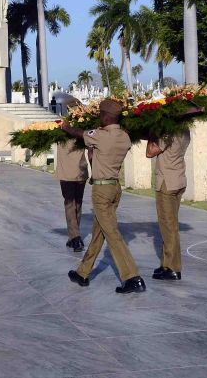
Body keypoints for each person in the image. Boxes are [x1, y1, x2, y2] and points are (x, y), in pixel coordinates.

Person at [61, 99, 145, 294]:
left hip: (102, 191)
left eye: (100, 114)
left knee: (112, 234)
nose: (99, 117)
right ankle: (83, 272)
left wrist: (66, 127)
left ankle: (132, 277)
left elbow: (79, 133)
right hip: (115, 188)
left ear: (106, 116)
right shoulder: (124, 137)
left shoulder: (99, 135)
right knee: (99, 232)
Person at [146, 130, 191, 280]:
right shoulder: (185, 131)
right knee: (170, 225)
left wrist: (151, 133)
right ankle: (166, 263)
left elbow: (150, 152)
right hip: (178, 179)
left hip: (167, 183)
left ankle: (173, 268)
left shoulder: (168, 134)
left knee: (168, 227)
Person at [55, 107, 89, 251]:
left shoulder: (60, 131)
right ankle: (73, 235)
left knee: (71, 204)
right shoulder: (82, 131)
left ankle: (75, 237)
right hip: (79, 172)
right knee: (77, 204)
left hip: (69, 173)